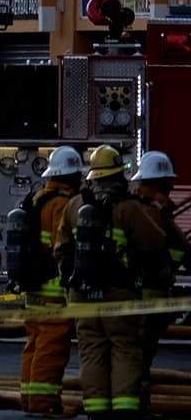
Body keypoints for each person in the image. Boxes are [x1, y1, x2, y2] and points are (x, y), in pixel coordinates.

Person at [55, 145, 167, 419]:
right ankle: (124, 411)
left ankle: (97, 411)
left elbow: (60, 250)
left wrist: (72, 287)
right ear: (118, 176)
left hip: (82, 295)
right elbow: (155, 244)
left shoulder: (74, 205)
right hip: (119, 294)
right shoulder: (128, 208)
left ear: (92, 177)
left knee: (92, 352)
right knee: (125, 350)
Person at [17, 145, 83, 416]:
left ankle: (30, 400)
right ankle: (45, 404)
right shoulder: (62, 204)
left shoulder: (37, 198)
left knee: (34, 341)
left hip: (33, 287)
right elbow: (62, 245)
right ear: (72, 175)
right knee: (52, 345)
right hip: (53, 289)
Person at [129, 150, 186, 411]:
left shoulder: (130, 208)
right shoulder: (157, 213)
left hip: (129, 295)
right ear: (162, 182)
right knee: (139, 356)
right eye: (168, 181)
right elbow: (180, 249)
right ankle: (137, 405)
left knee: (130, 354)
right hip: (149, 298)